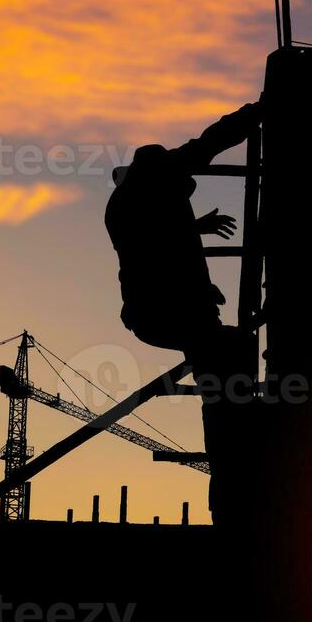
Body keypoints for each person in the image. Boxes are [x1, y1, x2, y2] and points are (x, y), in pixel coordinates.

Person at [105, 103, 260, 525]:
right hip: (166, 312)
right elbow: (208, 143)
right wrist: (255, 113)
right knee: (232, 360)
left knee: (225, 368)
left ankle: (236, 466)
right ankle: (237, 477)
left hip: (160, 312)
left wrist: (198, 232)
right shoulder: (152, 183)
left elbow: (161, 243)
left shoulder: (132, 204)